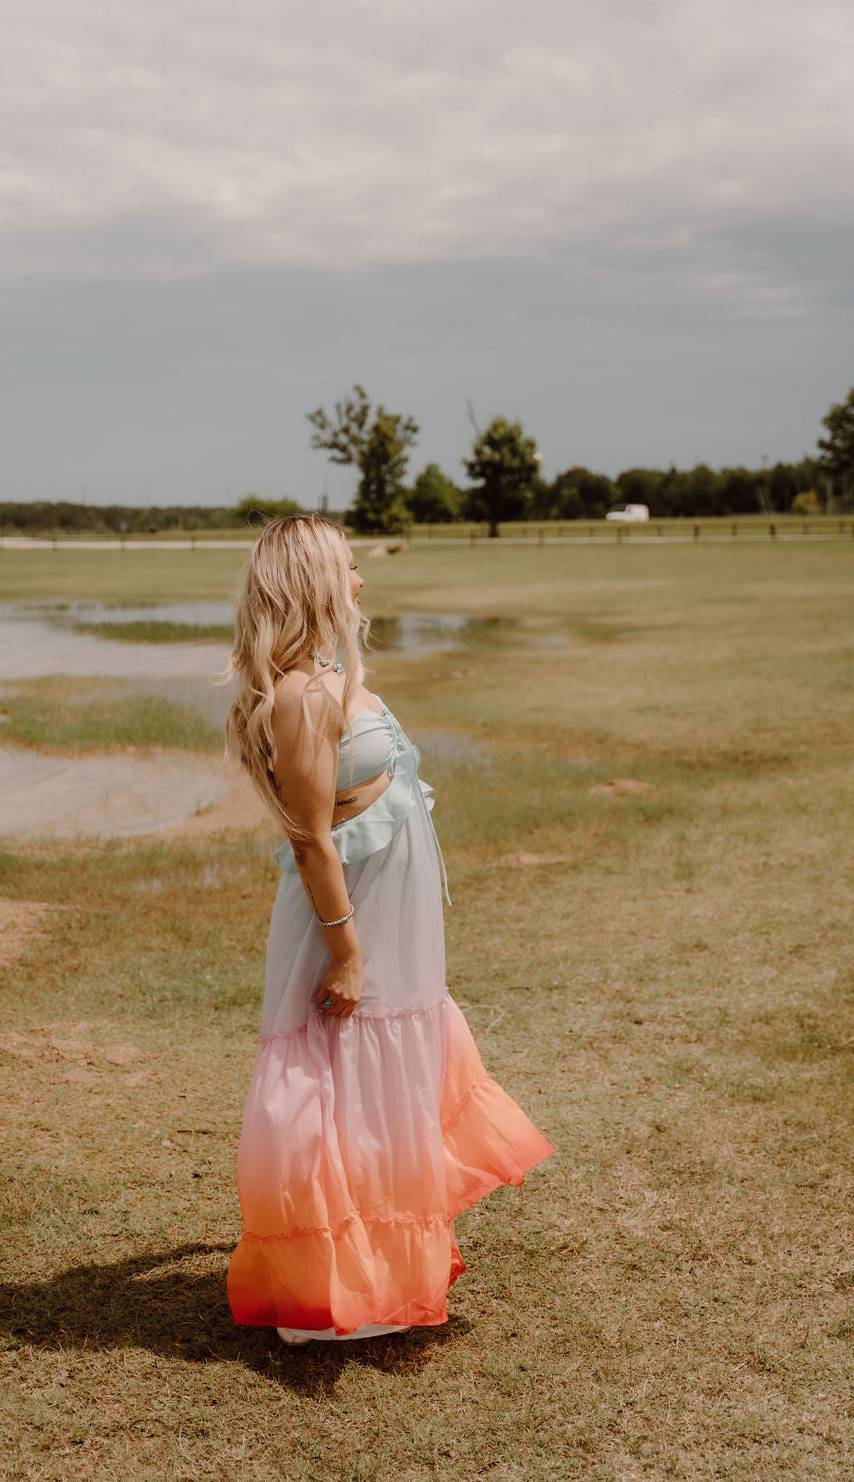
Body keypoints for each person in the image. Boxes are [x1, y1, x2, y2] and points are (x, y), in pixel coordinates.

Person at [224, 515, 551, 1344]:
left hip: (392, 922)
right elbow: (308, 836)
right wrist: (347, 952)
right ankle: (336, 1280)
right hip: (350, 924)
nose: (363, 581)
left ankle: (383, 1258)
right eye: (351, 567)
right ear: (312, 583)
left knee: (383, 1085)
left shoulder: (328, 672)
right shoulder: (299, 696)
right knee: (340, 1083)